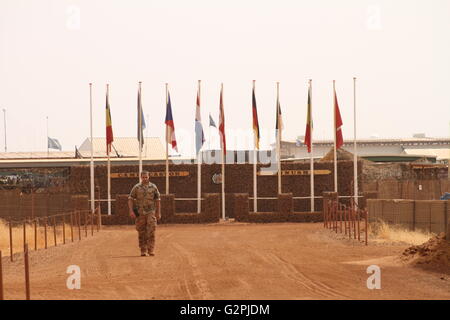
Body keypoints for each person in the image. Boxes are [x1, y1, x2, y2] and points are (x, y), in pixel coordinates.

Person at [128, 170, 161, 256]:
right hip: (140, 212)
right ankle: (143, 250)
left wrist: (158, 212)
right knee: (141, 231)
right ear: (141, 177)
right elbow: (130, 199)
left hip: (151, 212)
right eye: (143, 177)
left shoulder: (153, 187)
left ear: (148, 177)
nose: (145, 178)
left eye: (146, 177)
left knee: (152, 230)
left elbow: (157, 200)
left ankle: (151, 250)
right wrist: (131, 211)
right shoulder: (136, 187)